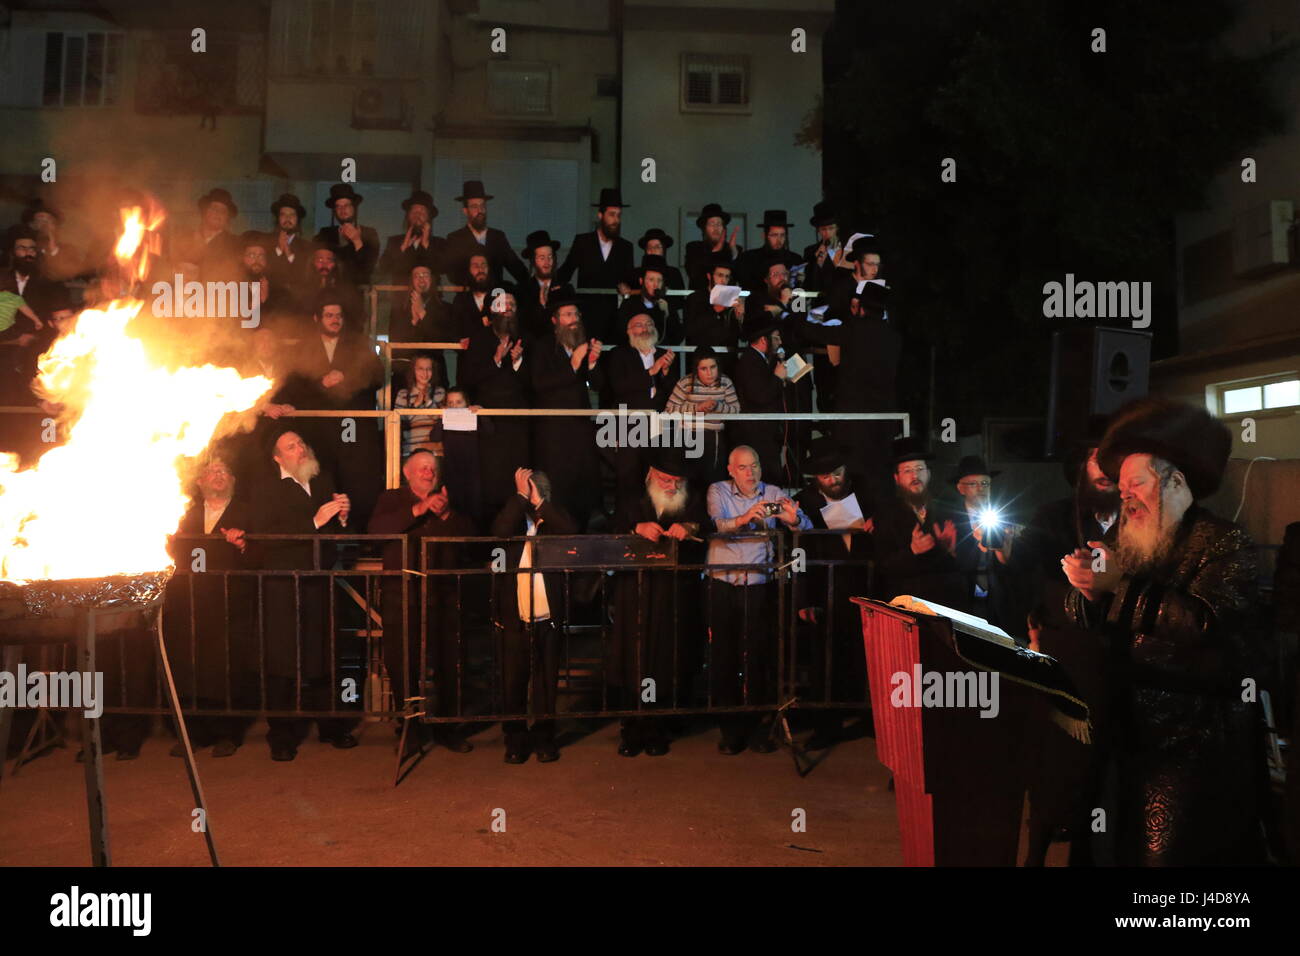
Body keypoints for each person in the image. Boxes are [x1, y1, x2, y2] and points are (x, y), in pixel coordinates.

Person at [1061, 397, 1271, 865]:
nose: (1125, 496)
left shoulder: (1223, 542)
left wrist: (1119, 586)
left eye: (1137, 483)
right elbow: (1093, 617)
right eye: (1121, 487)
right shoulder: (1128, 540)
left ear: (1175, 481)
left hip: (1194, 745)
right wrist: (1087, 593)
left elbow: (1208, 624)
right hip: (1127, 734)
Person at [1012, 425, 1120, 866]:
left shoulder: (1143, 521)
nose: (1106, 470)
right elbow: (1024, 571)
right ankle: (1039, 845)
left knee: (1107, 771)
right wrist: (1002, 554)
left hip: (1119, 658)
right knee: (1057, 764)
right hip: (1066, 654)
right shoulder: (1053, 516)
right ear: (1081, 466)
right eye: (1098, 459)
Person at [246, 430, 360, 761]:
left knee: (323, 654)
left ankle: (332, 728)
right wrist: (315, 519)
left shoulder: (320, 479)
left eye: (301, 443)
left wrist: (342, 516)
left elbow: (339, 531)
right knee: (282, 662)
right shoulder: (265, 489)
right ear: (277, 457)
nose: (300, 449)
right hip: (283, 585)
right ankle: (281, 735)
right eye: (291, 447)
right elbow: (265, 535)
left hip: (319, 581)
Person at [367, 450, 476, 755]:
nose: (428, 472)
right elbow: (375, 532)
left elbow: (472, 538)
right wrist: (419, 509)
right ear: (407, 472)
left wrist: (445, 515)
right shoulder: (391, 499)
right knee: (403, 661)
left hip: (444, 595)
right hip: (401, 595)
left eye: (432, 468)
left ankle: (447, 726)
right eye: (422, 468)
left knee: (449, 660)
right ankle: (410, 728)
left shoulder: (451, 501)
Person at [706, 445, 811, 754]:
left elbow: (804, 525)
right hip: (723, 584)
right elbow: (717, 526)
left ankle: (758, 727)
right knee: (725, 657)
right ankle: (730, 729)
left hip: (759, 583)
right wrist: (744, 518)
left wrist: (793, 520)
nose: (750, 473)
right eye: (742, 468)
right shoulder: (718, 491)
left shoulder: (774, 491)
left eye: (754, 466)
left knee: (759, 655)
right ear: (730, 470)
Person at [612, 450, 706, 757]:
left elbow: (707, 527)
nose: (671, 486)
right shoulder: (630, 498)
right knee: (634, 659)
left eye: (677, 481)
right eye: (666, 479)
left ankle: (658, 728)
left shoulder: (693, 499)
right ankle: (632, 727)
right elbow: (608, 534)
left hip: (672, 593)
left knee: (666, 659)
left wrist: (690, 529)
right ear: (652, 474)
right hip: (635, 593)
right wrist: (635, 530)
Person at [164, 455, 254, 757]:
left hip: (230, 602)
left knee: (226, 669)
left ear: (234, 481)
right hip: (187, 601)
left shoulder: (246, 513)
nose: (219, 475)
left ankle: (228, 732)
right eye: (212, 471)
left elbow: (260, 554)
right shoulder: (182, 513)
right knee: (188, 665)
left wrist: (242, 545)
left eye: (225, 470)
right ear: (200, 481)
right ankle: (193, 733)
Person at [491, 468, 577, 763]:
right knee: (512, 682)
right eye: (527, 491)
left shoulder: (553, 519)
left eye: (535, 490)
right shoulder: (513, 520)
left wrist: (541, 504)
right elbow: (499, 530)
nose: (531, 495)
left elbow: (571, 530)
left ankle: (544, 738)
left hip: (548, 618)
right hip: (515, 618)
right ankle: (514, 740)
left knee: (545, 683)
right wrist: (518, 498)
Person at [793, 438, 874, 749]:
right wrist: (804, 599)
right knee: (826, 662)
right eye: (826, 476)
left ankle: (871, 720)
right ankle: (827, 727)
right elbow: (801, 553)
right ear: (816, 479)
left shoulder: (868, 494)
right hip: (826, 590)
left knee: (868, 660)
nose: (833, 479)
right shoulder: (805, 502)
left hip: (867, 587)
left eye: (837, 472)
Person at [530, 299, 606, 530]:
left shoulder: (584, 344)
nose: (573, 319)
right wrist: (573, 364)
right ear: (555, 320)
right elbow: (539, 384)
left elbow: (599, 385)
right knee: (558, 485)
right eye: (567, 315)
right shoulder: (543, 346)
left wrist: (592, 363)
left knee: (584, 485)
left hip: (580, 427)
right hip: (554, 430)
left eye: (575, 314)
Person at [460, 296, 530, 520]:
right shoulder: (480, 339)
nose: (508, 309)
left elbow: (536, 382)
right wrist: (496, 360)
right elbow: (467, 378)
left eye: (512, 304)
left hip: (517, 423)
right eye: (503, 305)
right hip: (489, 423)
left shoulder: (526, 339)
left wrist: (517, 362)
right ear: (493, 310)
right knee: (490, 481)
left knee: (517, 478)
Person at [872, 437, 964, 608]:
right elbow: (882, 566)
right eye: (907, 471)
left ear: (928, 474)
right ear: (897, 478)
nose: (915, 476)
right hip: (905, 605)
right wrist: (912, 551)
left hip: (945, 604)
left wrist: (949, 551)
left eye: (920, 469)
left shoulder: (949, 510)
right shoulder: (885, 515)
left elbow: (967, 563)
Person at [603, 312, 676, 513]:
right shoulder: (620, 354)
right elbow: (619, 387)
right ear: (629, 331)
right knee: (628, 478)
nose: (644, 328)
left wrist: (666, 372)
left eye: (649, 324)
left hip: (658, 423)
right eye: (638, 325)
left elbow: (672, 392)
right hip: (630, 424)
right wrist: (653, 371)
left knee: (658, 476)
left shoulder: (664, 353)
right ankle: (627, 526)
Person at [941, 455, 1016, 629]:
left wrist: (1003, 550)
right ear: (960, 488)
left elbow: (1011, 563)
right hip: (961, 598)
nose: (980, 488)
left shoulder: (1004, 515)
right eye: (973, 484)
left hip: (998, 600)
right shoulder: (948, 518)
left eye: (985, 483)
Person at [555, 188, 635, 343]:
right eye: (612, 215)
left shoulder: (626, 247)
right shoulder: (583, 242)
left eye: (619, 215)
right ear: (600, 215)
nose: (616, 220)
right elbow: (566, 271)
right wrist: (550, 285)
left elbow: (630, 279)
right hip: (587, 314)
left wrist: (626, 286)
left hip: (614, 316)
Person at [663, 345, 738, 487]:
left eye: (713, 367)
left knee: (712, 481)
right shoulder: (686, 383)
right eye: (704, 369)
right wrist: (697, 408)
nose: (709, 373)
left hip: (715, 438)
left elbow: (736, 411)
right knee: (690, 481)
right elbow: (669, 410)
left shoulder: (725, 383)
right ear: (696, 369)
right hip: (689, 436)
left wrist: (718, 406)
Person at [731, 312, 789, 487]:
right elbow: (759, 396)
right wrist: (778, 378)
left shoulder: (761, 360)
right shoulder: (750, 360)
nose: (779, 343)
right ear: (764, 340)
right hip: (757, 434)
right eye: (776, 338)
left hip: (766, 433)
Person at [441, 180, 528, 287]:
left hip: (495, 297)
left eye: (482, 206)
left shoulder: (498, 237)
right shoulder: (455, 239)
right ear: (465, 211)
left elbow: (516, 267)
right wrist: (477, 284)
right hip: (468, 298)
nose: (480, 211)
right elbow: (453, 275)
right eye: (474, 207)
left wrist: (533, 285)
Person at [683, 255, 745, 376]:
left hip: (727, 362)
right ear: (709, 276)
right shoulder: (695, 298)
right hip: (702, 363)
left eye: (727, 276)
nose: (724, 281)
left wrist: (740, 317)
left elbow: (741, 336)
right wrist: (717, 310)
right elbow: (690, 330)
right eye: (720, 275)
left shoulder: (733, 299)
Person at [314, 183, 380, 286]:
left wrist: (357, 241)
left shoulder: (369, 233)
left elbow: (368, 268)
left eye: (346, 205)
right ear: (334, 211)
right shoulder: (324, 234)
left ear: (354, 208)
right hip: (330, 291)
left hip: (358, 292)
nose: (342, 210)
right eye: (338, 206)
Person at [173, 188, 242, 282]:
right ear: (205, 212)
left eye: (223, 211)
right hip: (187, 295)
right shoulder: (184, 239)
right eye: (214, 208)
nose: (218, 213)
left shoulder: (235, 244)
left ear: (227, 218)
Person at [516, 230, 574, 340]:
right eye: (542, 258)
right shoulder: (521, 290)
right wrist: (541, 306)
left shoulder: (566, 289)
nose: (547, 262)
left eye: (550, 257)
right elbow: (524, 325)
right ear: (533, 261)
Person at [378, 190, 443, 283]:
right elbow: (383, 269)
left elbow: (441, 269)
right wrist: (403, 247)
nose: (418, 215)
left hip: (430, 295)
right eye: (414, 211)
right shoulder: (394, 241)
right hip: (400, 295)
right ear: (408, 216)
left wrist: (426, 244)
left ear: (429, 217)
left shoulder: (439, 243)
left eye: (422, 212)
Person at [614, 254, 679, 345]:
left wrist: (667, 314)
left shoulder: (667, 305)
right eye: (651, 280)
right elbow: (620, 333)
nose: (655, 285)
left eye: (659, 280)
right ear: (641, 281)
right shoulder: (629, 304)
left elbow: (677, 337)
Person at [734, 210, 803, 291]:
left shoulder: (795, 259)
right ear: (764, 236)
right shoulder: (749, 258)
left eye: (782, 235)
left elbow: (800, 292)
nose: (779, 240)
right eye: (774, 235)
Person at [393, 354, 444, 458]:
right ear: (413, 371)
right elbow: (399, 423)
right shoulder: (403, 394)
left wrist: (429, 402)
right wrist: (415, 405)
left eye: (428, 369)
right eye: (420, 369)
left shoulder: (440, 392)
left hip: (436, 452)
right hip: (410, 451)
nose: (425, 373)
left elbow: (440, 420)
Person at [684, 202, 741, 291]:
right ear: (704, 228)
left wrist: (733, 252)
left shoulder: (734, 249)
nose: (716, 228)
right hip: (701, 298)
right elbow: (695, 275)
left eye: (719, 224)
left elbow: (739, 276)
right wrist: (715, 253)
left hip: (727, 300)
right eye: (711, 224)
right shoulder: (694, 248)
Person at [266, 193, 312, 291]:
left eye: (292, 214)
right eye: (283, 214)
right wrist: (279, 249)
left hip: (297, 301)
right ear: (278, 218)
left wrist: (289, 253)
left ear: (297, 219)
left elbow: (305, 276)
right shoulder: (266, 242)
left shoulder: (307, 247)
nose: (287, 218)